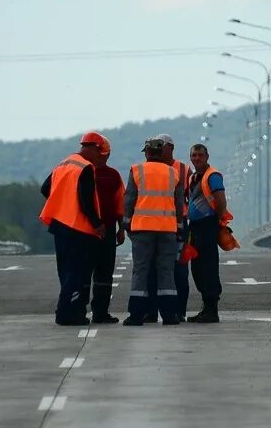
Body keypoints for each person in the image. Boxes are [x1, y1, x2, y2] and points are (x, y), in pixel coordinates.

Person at [40, 137, 106, 326]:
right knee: (77, 273)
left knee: (65, 271)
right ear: (93, 148)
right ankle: (68, 314)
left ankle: (66, 309)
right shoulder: (85, 168)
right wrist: (97, 224)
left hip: (60, 225)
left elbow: (45, 188)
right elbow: (86, 200)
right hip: (78, 228)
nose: (99, 158)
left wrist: (62, 202)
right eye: (99, 153)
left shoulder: (64, 163)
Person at [122, 138, 185, 326]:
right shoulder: (173, 173)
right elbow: (179, 202)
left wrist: (126, 223)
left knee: (140, 271)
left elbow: (129, 199)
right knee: (166, 271)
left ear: (148, 152)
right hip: (167, 229)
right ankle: (169, 315)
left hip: (142, 229)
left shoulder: (137, 170)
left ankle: (136, 315)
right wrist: (179, 226)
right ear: (161, 152)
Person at [144, 133, 191, 322]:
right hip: (152, 224)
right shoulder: (147, 168)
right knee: (151, 269)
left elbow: (191, 196)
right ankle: (151, 311)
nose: (158, 149)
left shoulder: (183, 169)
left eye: (161, 146)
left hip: (178, 225)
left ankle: (178, 311)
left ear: (171, 148)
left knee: (179, 269)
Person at [80, 132, 125, 324]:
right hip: (86, 230)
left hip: (105, 230)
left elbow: (120, 203)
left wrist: (121, 228)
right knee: (86, 273)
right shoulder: (83, 172)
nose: (104, 158)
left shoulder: (113, 175)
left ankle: (100, 312)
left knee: (104, 273)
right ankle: (83, 310)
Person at [186, 143, 231, 323]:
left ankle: (212, 310)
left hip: (208, 225)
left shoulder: (213, 176)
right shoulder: (193, 178)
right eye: (194, 155)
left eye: (200, 155)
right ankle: (206, 308)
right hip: (195, 227)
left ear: (207, 157)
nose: (197, 158)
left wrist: (217, 221)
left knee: (208, 267)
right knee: (197, 268)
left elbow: (221, 201)